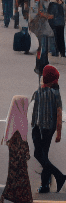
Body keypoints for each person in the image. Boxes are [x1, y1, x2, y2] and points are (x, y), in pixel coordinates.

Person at [30, 64, 65, 193]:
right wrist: (58, 132)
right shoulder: (56, 93)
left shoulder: (38, 92)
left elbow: (32, 112)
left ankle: (58, 176)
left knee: (38, 154)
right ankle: (45, 184)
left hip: (38, 129)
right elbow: (59, 113)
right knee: (44, 155)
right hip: (49, 130)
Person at [0, 95, 33, 203]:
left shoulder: (14, 118)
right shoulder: (24, 118)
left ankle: (8, 194)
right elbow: (25, 137)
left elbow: (9, 127)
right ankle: (24, 196)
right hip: (22, 147)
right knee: (22, 171)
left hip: (14, 146)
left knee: (13, 171)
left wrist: (6, 139)